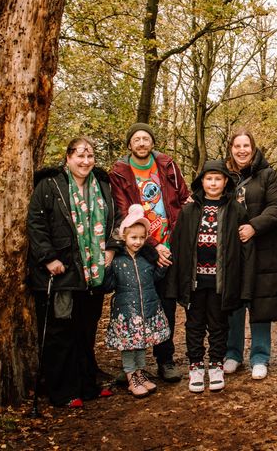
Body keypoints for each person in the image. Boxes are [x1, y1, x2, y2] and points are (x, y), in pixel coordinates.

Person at [27, 137, 121, 408]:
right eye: (80, 155)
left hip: (93, 272)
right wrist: (48, 258)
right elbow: (36, 223)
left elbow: (115, 219)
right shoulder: (50, 185)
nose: (85, 161)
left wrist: (112, 248)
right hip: (61, 270)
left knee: (85, 330)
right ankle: (63, 391)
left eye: (90, 155)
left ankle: (86, 384)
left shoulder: (102, 186)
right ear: (68, 158)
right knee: (61, 331)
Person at [165, 160, 255, 393]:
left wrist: (243, 285)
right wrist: (176, 282)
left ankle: (216, 363)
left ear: (225, 182)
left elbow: (245, 249)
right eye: (209, 178)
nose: (213, 183)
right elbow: (178, 245)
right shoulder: (189, 210)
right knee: (194, 324)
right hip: (194, 281)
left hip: (221, 281)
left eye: (218, 179)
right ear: (201, 182)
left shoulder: (236, 209)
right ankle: (195, 365)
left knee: (218, 324)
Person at [109, 122, 190, 383]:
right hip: (139, 246)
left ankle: (165, 360)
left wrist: (173, 243)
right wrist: (153, 246)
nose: (141, 143)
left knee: (165, 303)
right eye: (136, 139)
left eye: (146, 138)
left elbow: (183, 197)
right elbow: (122, 211)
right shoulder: (121, 172)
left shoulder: (166, 165)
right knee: (135, 304)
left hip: (171, 242)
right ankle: (133, 366)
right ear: (129, 144)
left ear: (152, 142)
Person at [223, 129, 277, 380]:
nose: (242, 150)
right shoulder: (223, 174)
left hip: (262, 248)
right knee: (233, 301)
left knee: (260, 302)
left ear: (253, 148)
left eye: (246, 146)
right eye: (237, 146)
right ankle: (232, 354)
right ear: (231, 148)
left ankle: (260, 357)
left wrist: (254, 226)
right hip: (232, 250)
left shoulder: (268, 175)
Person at [103, 204, 170, 398]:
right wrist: (106, 267)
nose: (138, 242)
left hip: (147, 308)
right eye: (133, 237)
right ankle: (130, 375)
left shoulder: (146, 259)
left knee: (141, 343)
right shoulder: (117, 260)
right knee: (129, 345)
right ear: (124, 236)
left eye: (142, 238)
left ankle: (140, 373)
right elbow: (108, 286)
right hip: (126, 312)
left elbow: (155, 278)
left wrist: (163, 266)